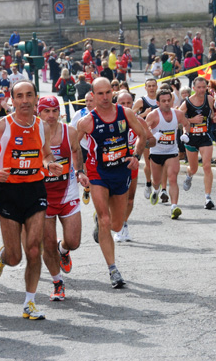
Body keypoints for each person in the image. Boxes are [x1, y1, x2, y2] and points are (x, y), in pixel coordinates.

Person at [0, 80, 62, 320]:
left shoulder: (42, 126)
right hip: (9, 192)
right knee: (15, 256)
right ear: (12, 100)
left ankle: (30, 303)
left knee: (34, 249)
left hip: (36, 190)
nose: (25, 100)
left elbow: (45, 154)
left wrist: (50, 164)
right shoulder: (1, 126)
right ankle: (2, 257)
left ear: (36, 98)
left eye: (29, 95)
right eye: (20, 96)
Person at [76, 78, 147, 288]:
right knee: (106, 220)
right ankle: (113, 269)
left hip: (121, 172)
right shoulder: (87, 121)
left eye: (108, 92)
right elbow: (74, 146)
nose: (105, 97)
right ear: (92, 95)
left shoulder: (125, 114)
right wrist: (79, 171)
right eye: (100, 94)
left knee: (116, 224)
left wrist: (136, 156)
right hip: (98, 173)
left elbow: (142, 136)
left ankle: (101, 221)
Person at [36, 97, 89, 301]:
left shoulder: (70, 131)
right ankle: (58, 283)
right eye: (46, 111)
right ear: (39, 113)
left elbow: (76, 151)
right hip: (43, 195)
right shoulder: (34, 134)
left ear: (59, 113)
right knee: (47, 244)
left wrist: (80, 171)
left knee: (74, 241)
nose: (50, 115)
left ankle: (64, 249)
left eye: (54, 111)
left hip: (67, 192)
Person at [115, 92, 154, 241]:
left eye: (128, 103)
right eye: (122, 103)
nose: (126, 106)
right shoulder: (108, 121)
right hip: (112, 165)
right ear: (116, 104)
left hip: (132, 164)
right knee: (115, 198)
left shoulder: (138, 121)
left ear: (133, 104)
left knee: (129, 199)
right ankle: (110, 221)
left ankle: (123, 223)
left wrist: (143, 142)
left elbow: (151, 140)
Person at [146, 88, 189, 219]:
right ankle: (156, 190)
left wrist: (186, 134)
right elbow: (144, 131)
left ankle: (174, 207)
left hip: (172, 151)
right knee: (156, 181)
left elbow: (187, 124)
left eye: (168, 100)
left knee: (172, 178)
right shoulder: (153, 115)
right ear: (158, 103)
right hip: (156, 152)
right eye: (163, 101)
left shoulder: (178, 114)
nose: (166, 103)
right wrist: (154, 136)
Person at [180, 77, 216, 209]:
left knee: (207, 166)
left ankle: (208, 198)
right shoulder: (187, 103)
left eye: (204, 87)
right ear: (194, 88)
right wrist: (192, 119)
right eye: (199, 87)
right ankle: (189, 174)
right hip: (191, 138)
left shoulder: (210, 99)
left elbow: (211, 114)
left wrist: (214, 117)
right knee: (194, 168)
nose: (202, 90)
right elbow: (178, 118)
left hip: (205, 137)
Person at [133, 78, 160, 198]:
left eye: (153, 85)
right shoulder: (141, 101)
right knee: (148, 163)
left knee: (160, 162)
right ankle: (148, 183)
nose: (151, 88)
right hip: (147, 135)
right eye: (149, 86)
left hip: (160, 134)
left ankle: (159, 186)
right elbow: (131, 116)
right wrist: (143, 114)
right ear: (145, 88)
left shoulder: (160, 100)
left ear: (157, 87)